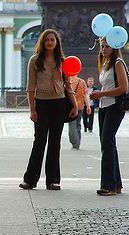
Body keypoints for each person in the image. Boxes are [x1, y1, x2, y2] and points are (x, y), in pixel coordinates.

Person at [19, 29, 78, 191]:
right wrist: (32, 110)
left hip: (59, 104)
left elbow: (68, 86)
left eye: (52, 40)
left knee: (55, 143)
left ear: (57, 42)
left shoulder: (62, 61)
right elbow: (30, 87)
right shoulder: (34, 60)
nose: (50, 42)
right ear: (43, 43)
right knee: (39, 141)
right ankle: (30, 180)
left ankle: (52, 180)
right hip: (41, 104)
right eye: (47, 40)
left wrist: (74, 105)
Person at [90, 37, 128, 196]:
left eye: (107, 46)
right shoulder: (105, 63)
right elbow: (108, 85)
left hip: (114, 106)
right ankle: (116, 184)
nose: (104, 49)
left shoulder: (118, 63)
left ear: (114, 47)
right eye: (102, 46)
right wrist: (99, 94)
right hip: (104, 106)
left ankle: (108, 185)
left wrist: (101, 93)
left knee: (107, 142)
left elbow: (123, 88)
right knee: (109, 143)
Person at [68, 75, 91, 149]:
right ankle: (78, 142)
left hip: (71, 106)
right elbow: (85, 95)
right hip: (80, 106)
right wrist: (88, 106)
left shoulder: (68, 81)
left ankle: (75, 143)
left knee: (72, 124)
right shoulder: (82, 82)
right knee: (78, 124)